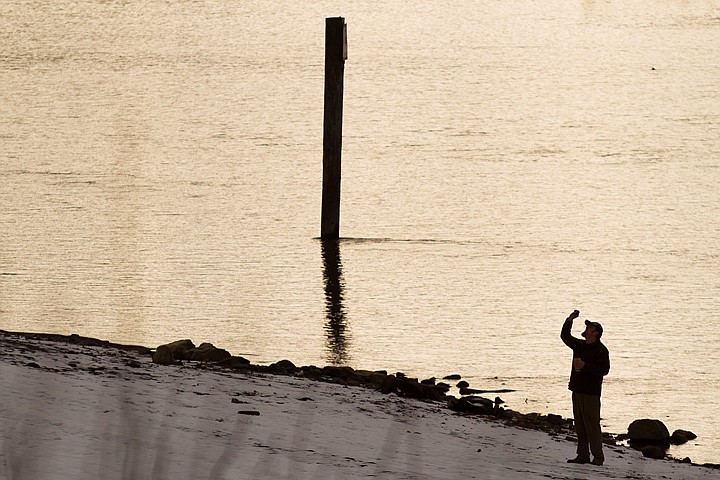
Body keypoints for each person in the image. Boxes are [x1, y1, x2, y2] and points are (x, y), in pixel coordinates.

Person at [561, 310, 610, 466]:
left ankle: (598, 457)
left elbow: (604, 370)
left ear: (595, 333)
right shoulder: (580, 345)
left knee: (592, 425)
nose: (587, 328)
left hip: (591, 393)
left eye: (590, 327)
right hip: (577, 389)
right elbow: (565, 336)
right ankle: (582, 455)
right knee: (580, 425)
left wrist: (585, 366)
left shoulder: (601, 350)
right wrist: (570, 320)